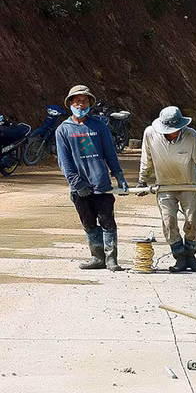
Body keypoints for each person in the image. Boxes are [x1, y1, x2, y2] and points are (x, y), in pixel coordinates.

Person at [137, 106, 196, 273]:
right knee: (169, 221)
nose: (172, 133)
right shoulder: (150, 134)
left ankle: (191, 257)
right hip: (164, 186)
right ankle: (179, 257)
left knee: (193, 221)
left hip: (189, 184)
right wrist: (142, 182)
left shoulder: (190, 136)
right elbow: (147, 158)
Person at [55, 84, 127, 272]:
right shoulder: (63, 130)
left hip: (101, 184)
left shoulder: (99, 126)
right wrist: (77, 183)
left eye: (85, 101)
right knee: (88, 222)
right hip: (79, 187)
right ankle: (97, 257)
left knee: (107, 221)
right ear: (70, 103)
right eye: (77, 101)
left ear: (90, 104)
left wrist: (119, 175)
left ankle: (111, 259)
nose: (81, 105)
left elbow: (110, 153)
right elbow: (64, 161)